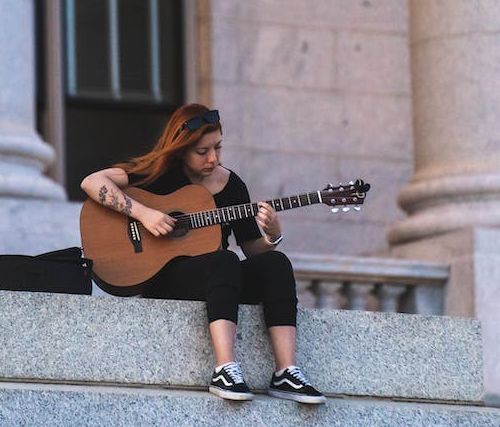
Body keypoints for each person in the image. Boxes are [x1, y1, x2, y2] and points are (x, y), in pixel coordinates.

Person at [81, 103, 325, 405]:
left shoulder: (232, 186)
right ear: (181, 150)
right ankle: (224, 369)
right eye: (202, 151)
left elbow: (252, 249)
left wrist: (272, 236)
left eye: (218, 148)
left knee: (276, 262)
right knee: (225, 260)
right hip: (166, 278)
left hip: (219, 281)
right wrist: (144, 214)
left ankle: (286, 372)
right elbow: (91, 182)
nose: (213, 158)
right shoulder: (158, 174)